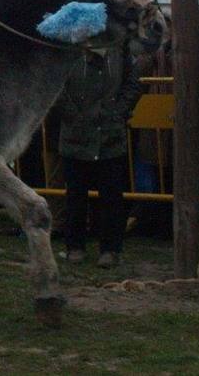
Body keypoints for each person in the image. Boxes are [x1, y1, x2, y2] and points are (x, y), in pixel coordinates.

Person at [58, 49, 141, 267]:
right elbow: (57, 86)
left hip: (110, 136)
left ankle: (110, 249)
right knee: (75, 196)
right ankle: (74, 246)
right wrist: (72, 115)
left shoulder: (120, 51)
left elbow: (133, 83)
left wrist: (118, 112)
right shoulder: (69, 49)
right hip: (75, 136)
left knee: (112, 195)